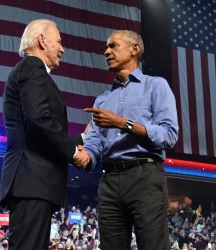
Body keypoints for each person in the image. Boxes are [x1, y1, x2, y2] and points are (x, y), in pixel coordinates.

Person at [80, 30, 179, 249]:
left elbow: (169, 135)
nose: (106, 52)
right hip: (110, 182)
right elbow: (94, 145)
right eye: (106, 47)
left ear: (135, 49)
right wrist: (83, 155)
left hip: (145, 176)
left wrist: (122, 123)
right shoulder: (103, 99)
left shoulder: (156, 86)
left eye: (113, 46)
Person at [0, 19, 86, 250]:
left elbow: (40, 129)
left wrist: (83, 139)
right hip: (31, 181)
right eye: (58, 42)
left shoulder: (34, 71)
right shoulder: (32, 67)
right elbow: (38, 118)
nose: (62, 48)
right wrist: (73, 151)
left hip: (34, 183)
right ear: (41, 40)